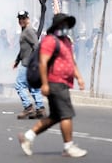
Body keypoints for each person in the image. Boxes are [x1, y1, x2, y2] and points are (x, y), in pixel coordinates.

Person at [18, 13, 87, 158]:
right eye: (63, 24)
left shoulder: (66, 41)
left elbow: (71, 62)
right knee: (66, 115)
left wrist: (79, 77)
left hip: (64, 82)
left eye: (67, 25)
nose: (65, 27)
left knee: (55, 116)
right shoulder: (50, 41)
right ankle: (68, 147)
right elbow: (43, 62)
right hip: (56, 82)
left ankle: (28, 137)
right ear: (57, 26)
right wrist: (44, 84)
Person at [13, 11, 46, 119]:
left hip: (28, 64)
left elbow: (36, 47)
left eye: (23, 18)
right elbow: (24, 49)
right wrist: (17, 60)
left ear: (28, 18)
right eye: (19, 19)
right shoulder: (25, 31)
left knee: (19, 85)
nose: (21, 20)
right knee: (33, 87)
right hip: (29, 63)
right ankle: (40, 109)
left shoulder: (29, 31)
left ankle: (28, 107)